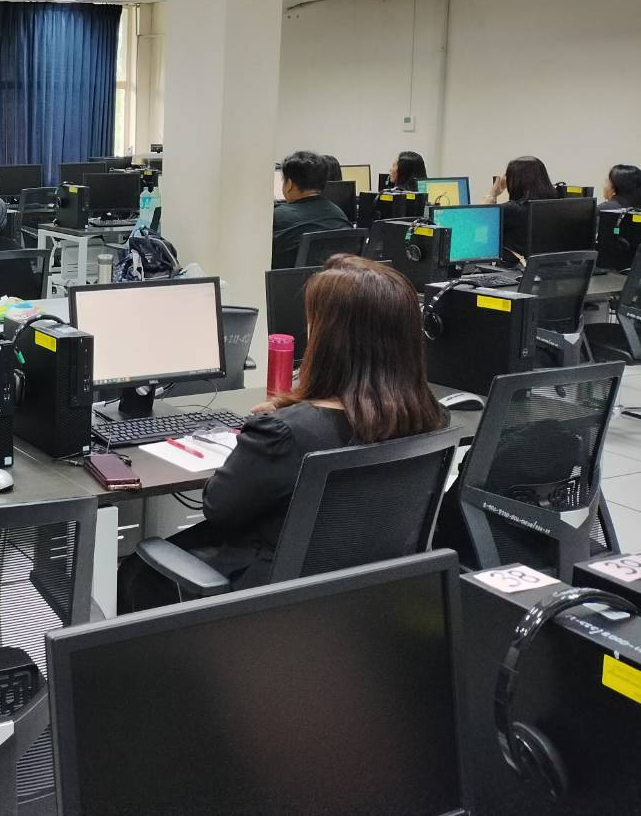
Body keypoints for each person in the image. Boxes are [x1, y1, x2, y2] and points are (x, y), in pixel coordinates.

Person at [119, 255, 447, 610]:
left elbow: (219, 508)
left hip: (269, 600)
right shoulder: (430, 419)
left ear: (330, 340)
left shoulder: (285, 434)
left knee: (137, 572)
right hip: (363, 599)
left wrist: (268, 431)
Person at [270, 150, 351, 269]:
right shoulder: (339, 214)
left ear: (289, 184)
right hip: (331, 279)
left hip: (287, 280)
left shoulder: (276, 217)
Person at [483, 156, 558, 257]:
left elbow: (479, 228)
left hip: (513, 266)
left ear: (516, 181)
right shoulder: (554, 206)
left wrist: (492, 195)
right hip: (544, 266)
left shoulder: (512, 209)